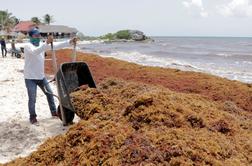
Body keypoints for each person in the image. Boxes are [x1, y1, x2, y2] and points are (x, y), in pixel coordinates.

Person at [24, 28, 77, 124]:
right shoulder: (28, 46)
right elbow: (36, 51)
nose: (38, 37)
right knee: (32, 98)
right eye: (35, 36)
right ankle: (32, 117)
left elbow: (56, 46)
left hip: (41, 76)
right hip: (30, 78)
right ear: (31, 36)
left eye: (38, 35)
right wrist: (46, 43)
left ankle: (53, 112)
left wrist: (70, 41)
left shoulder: (42, 45)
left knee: (50, 94)